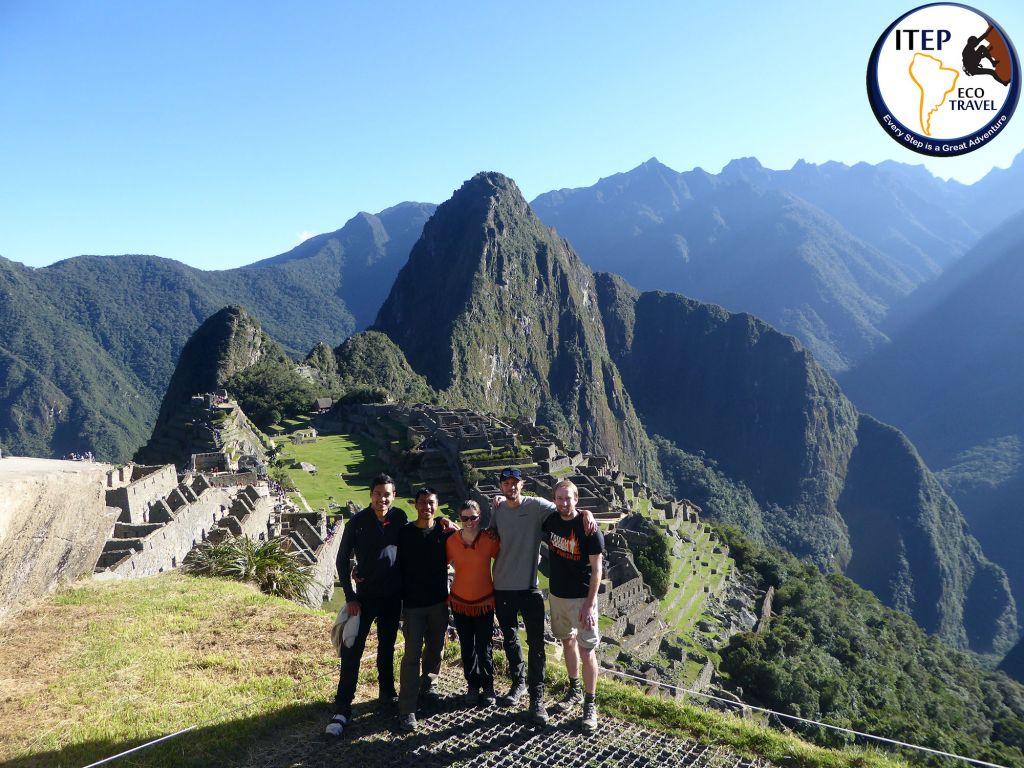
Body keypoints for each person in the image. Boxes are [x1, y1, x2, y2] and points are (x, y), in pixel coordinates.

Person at [489, 467, 596, 726]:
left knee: (537, 646)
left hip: (529, 588)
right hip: (502, 585)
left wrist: (587, 513)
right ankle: (519, 684)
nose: (511, 487)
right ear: (501, 487)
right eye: (506, 483)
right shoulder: (498, 509)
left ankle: (537, 699)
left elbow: (566, 507)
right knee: (511, 639)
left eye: (515, 482)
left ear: (521, 484)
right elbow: (491, 534)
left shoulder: (537, 506)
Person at [326, 474, 406, 738]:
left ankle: (387, 695)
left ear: (393, 496)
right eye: (378, 493)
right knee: (353, 650)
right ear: (371, 494)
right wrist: (350, 596)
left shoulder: (400, 519)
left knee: (386, 648)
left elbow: (411, 547)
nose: (382, 499)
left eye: (387, 494)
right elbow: (342, 560)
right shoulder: (358, 522)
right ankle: (343, 705)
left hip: (393, 598)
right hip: (365, 598)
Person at [543, 479, 604, 734]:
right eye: (559, 498)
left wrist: (589, 605)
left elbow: (597, 570)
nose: (564, 503)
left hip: (581, 599)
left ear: (577, 499)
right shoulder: (551, 520)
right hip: (557, 595)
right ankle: (574, 689)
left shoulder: (589, 528)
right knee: (567, 642)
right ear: (554, 500)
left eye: (568, 498)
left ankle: (590, 704)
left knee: (587, 650)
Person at [396, 488, 454, 732]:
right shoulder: (406, 533)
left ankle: (428, 687)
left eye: (431, 503)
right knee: (411, 655)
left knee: (436, 649)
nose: (426, 507)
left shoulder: (444, 533)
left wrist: (451, 524)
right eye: (422, 503)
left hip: (439, 603)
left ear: (437, 505)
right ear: (415, 505)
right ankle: (407, 709)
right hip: (412, 605)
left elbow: (466, 541)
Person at [446, 500, 501, 708]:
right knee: (467, 646)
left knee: (484, 647)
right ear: (459, 518)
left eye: (473, 517)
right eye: (465, 518)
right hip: (459, 603)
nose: (469, 522)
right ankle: (472, 685)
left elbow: (505, 557)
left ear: (480, 517)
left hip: (484, 603)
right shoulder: (451, 541)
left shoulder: (489, 539)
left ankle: (488, 687)